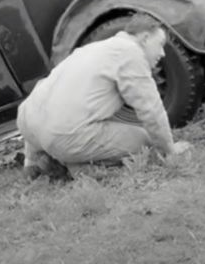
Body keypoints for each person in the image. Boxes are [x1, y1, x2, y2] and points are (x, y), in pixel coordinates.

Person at [17, 14, 192, 180]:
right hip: (63, 135)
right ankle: (80, 167)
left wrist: (29, 158)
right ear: (145, 38)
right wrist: (170, 150)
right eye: (160, 44)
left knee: (58, 117)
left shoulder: (92, 48)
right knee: (144, 139)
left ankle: (39, 162)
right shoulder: (131, 53)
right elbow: (151, 110)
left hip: (30, 125)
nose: (162, 53)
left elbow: (44, 91)